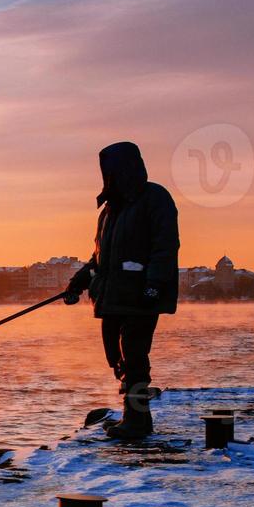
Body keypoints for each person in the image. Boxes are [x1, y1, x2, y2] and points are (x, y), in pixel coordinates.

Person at [63, 141, 180, 440]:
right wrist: (79, 282)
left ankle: (137, 420)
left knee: (135, 356)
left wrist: (154, 286)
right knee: (116, 356)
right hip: (112, 299)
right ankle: (132, 410)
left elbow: (165, 247)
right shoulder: (109, 210)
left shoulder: (155, 198)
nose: (108, 177)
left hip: (140, 299)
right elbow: (100, 258)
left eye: (112, 170)